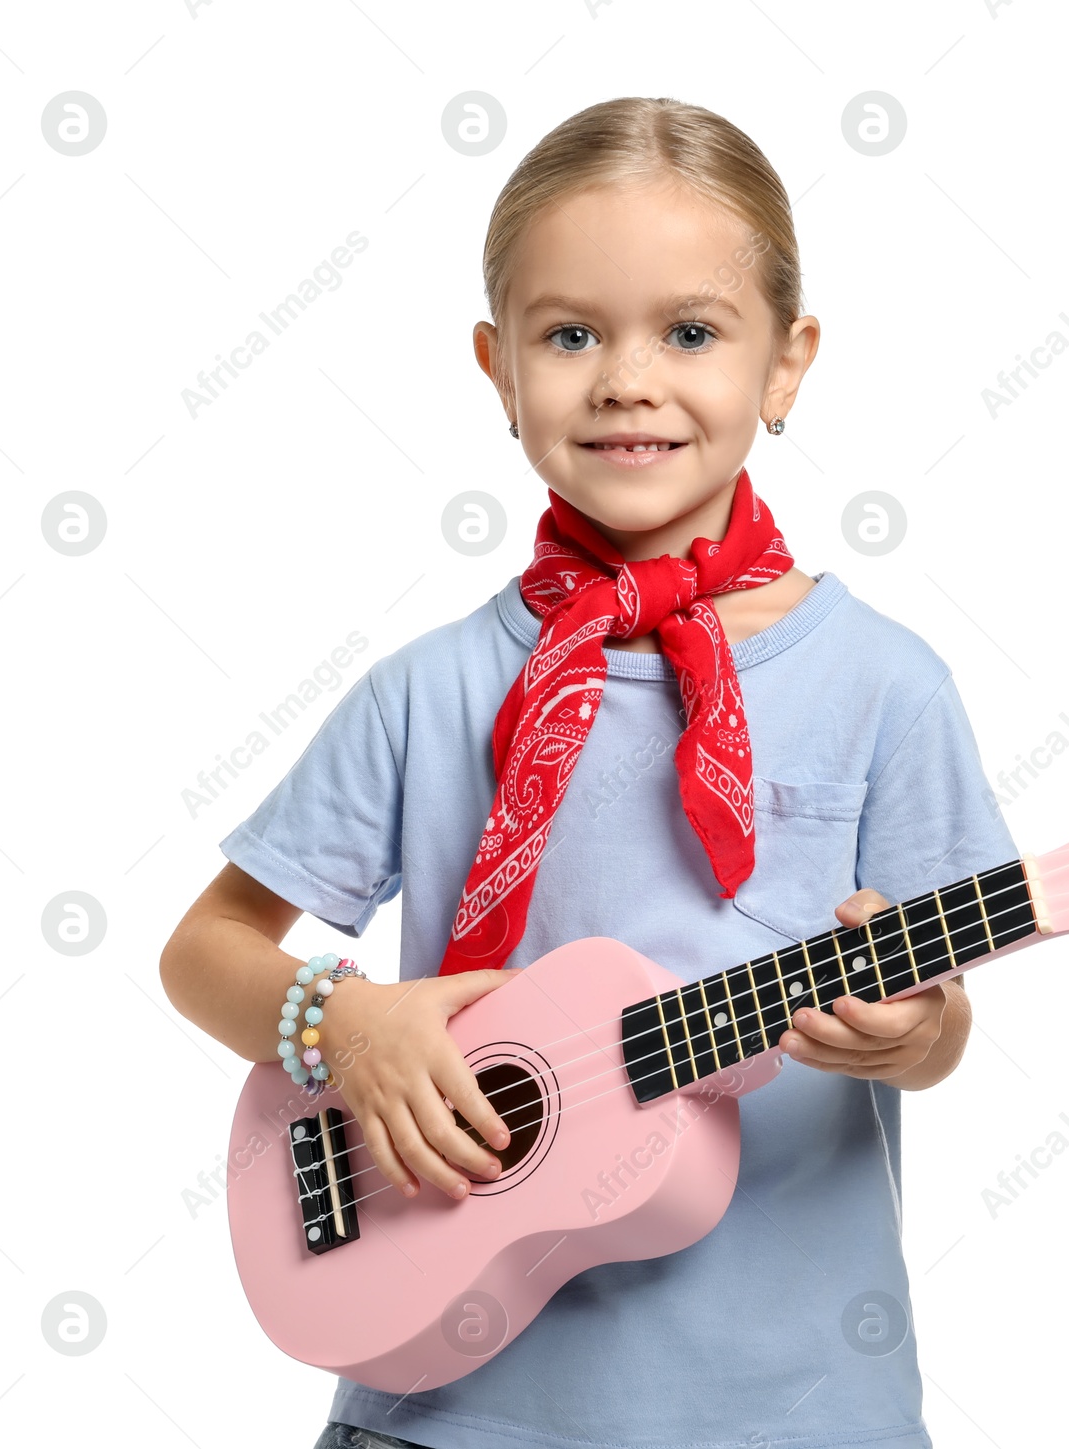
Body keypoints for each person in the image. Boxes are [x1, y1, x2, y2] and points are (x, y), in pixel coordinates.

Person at [159, 95, 1018, 1449]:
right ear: (498, 369)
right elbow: (205, 947)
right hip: (442, 1408)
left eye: (691, 331)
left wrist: (924, 1036)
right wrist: (350, 1025)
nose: (628, 379)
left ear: (787, 365)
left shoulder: (883, 686)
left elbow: (942, 1004)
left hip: (791, 1410)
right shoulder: (431, 688)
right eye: (571, 334)